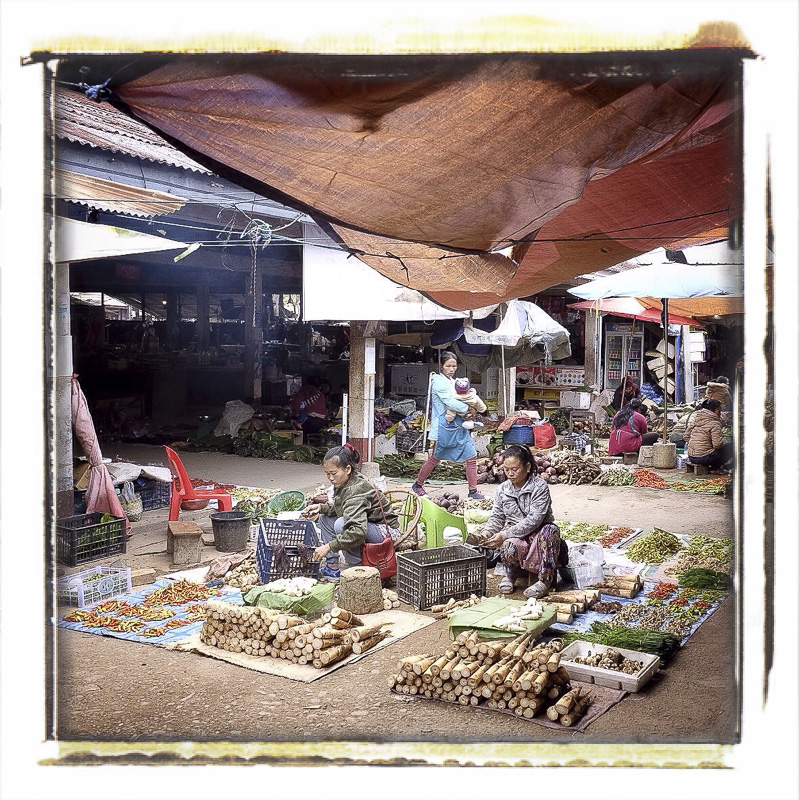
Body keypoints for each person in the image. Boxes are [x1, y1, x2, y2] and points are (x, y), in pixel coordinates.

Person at [478, 445, 568, 598]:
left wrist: (505, 534)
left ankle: (545, 579)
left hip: (539, 531)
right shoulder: (502, 489)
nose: (510, 474)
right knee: (508, 545)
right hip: (516, 533)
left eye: (515, 469)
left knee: (549, 532)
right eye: (506, 470)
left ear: (527, 467)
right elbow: (497, 516)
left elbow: (534, 520)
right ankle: (510, 575)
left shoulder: (539, 487)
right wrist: (487, 532)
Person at [305, 444, 399, 580]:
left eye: (333, 473)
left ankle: (358, 569)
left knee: (341, 525)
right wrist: (321, 508)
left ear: (347, 469)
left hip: (386, 531)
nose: (330, 478)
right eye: (327, 474)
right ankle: (332, 568)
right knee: (324, 518)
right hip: (368, 524)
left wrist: (328, 547)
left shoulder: (355, 489)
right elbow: (343, 508)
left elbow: (357, 532)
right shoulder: (347, 481)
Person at [411, 351, 484, 499]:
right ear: (441, 366)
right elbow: (449, 402)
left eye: (454, 366)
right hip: (445, 427)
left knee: (471, 456)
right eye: (448, 366)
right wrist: (468, 409)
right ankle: (417, 484)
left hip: (458, 425)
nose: (452, 369)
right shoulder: (438, 381)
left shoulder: (453, 381)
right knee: (435, 458)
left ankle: (473, 491)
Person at [684, 398, 734, 471]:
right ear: (712, 410)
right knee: (733, 446)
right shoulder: (715, 423)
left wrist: (698, 443)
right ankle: (716, 468)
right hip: (704, 458)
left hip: (691, 457)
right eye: (719, 410)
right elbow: (717, 445)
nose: (720, 412)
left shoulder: (696, 419)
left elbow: (686, 437)